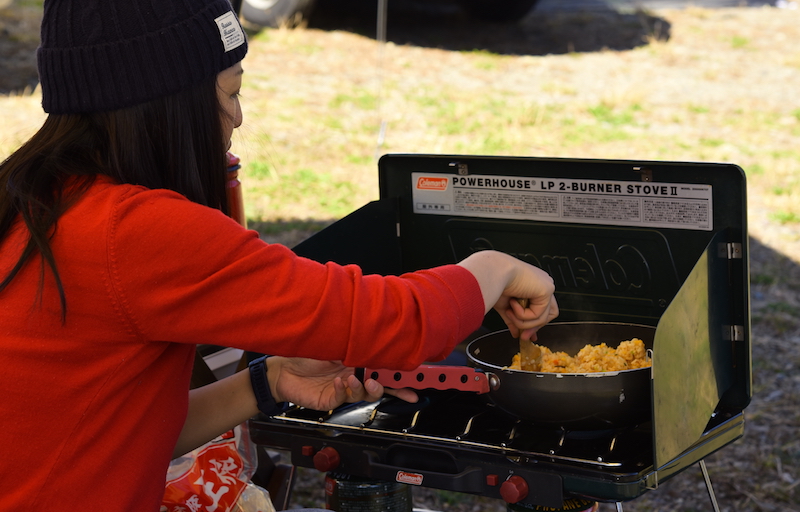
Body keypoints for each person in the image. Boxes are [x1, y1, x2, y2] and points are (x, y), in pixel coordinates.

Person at [0, 0, 559, 510]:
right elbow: (389, 323)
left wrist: (266, 383)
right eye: (231, 91)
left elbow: (118, 434)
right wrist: (493, 268)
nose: (238, 117)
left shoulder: (33, 202)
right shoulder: (135, 230)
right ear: (173, 103)